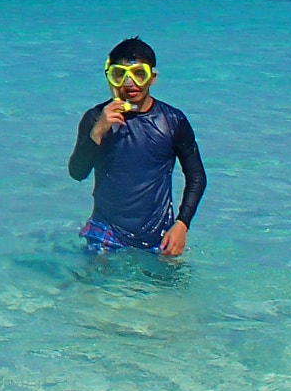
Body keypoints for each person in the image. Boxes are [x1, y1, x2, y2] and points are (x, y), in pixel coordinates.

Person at [68, 37, 206, 257]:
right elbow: (77, 173)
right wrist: (97, 132)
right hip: (105, 230)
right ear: (111, 78)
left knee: (170, 290)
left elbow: (197, 176)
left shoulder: (173, 121)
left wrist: (182, 224)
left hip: (159, 234)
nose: (130, 83)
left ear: (153, 77)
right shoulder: (96, 118)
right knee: (92, 289)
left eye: (139, 74)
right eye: (120, 75)